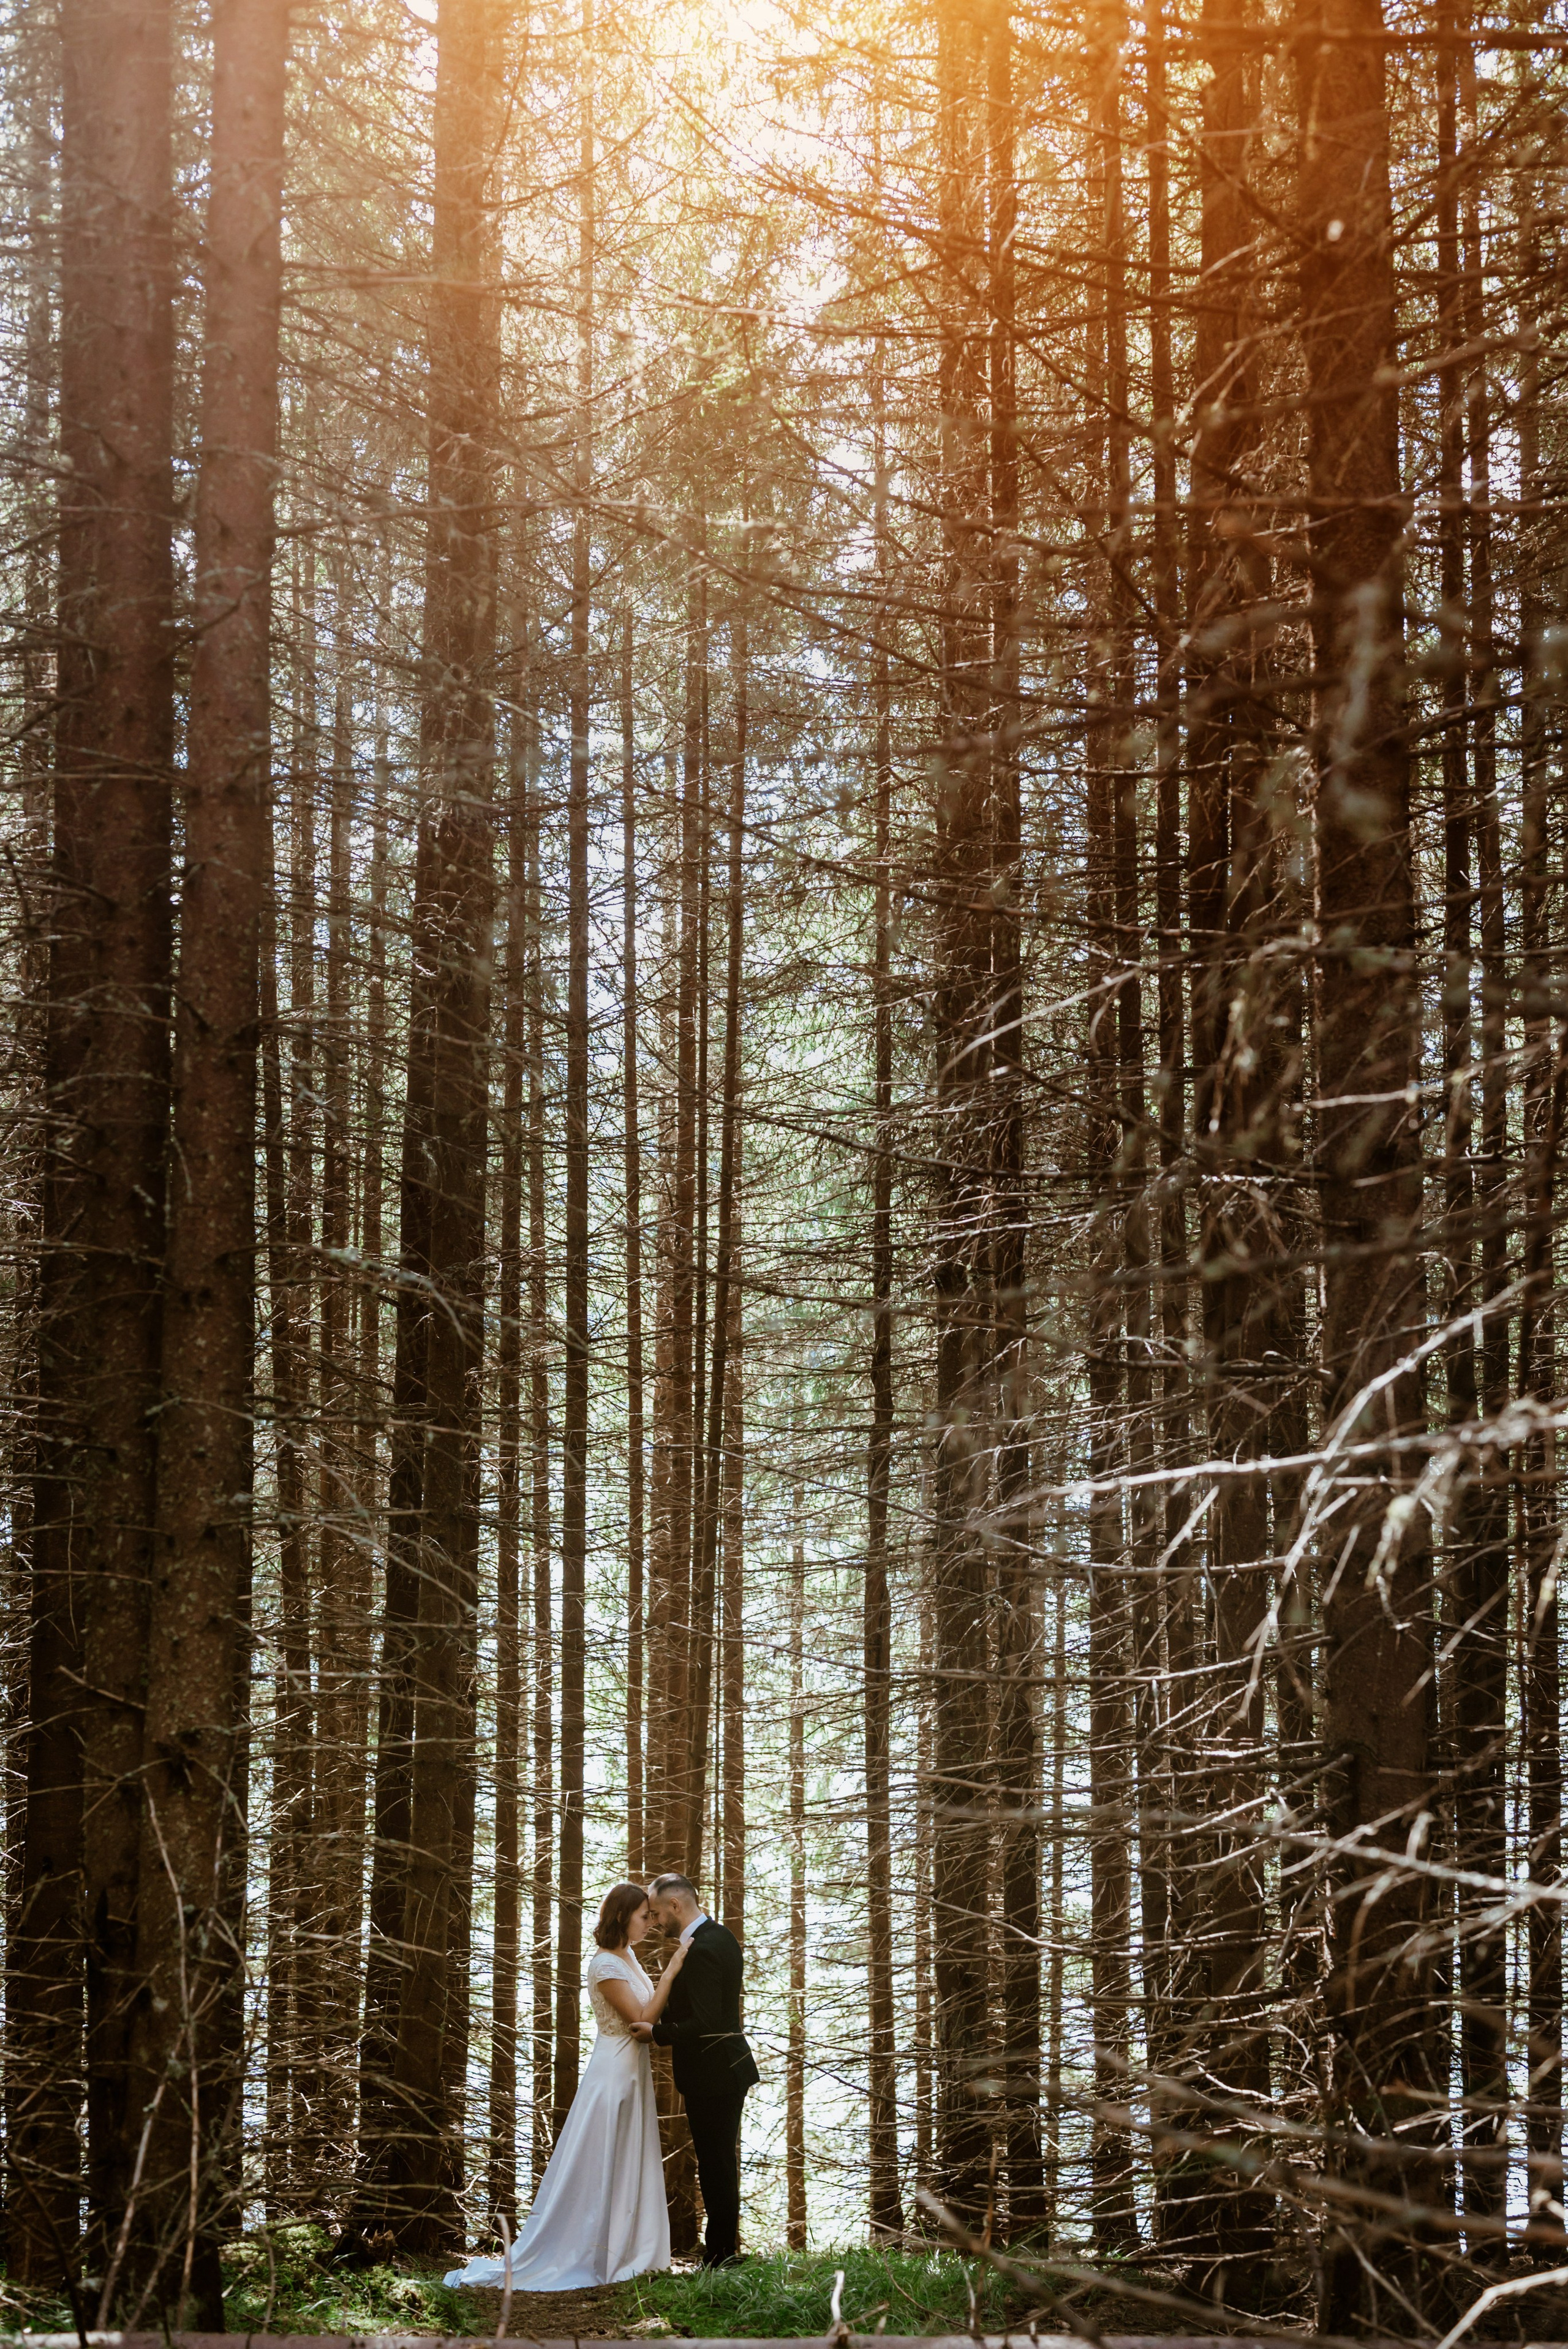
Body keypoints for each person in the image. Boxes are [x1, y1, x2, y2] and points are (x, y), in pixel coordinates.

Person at [444, 1882, 682, 2292]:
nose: (650, 1923)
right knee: (604, 2159)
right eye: (644, 1916)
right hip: (614, 2074)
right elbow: (641, 2018)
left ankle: (629, 2249)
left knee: (627, 2159)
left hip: (631, 2072)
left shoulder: (627, 1956)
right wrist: (674, 1971)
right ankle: (590, 2249)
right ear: (623, 1916)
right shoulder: (606, 1964)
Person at [639, 1871, 758, 2268]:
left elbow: (707, 2023)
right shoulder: (717, 1936)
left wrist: (657, 2032)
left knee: (716, 2163)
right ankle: (722, 2250)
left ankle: (721, 2255)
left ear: (676, 1905)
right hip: (723, 2068)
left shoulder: (705, 1947)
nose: (655, 1921)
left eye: (657, 1913)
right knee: (718, 2161)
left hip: (716, 2071)